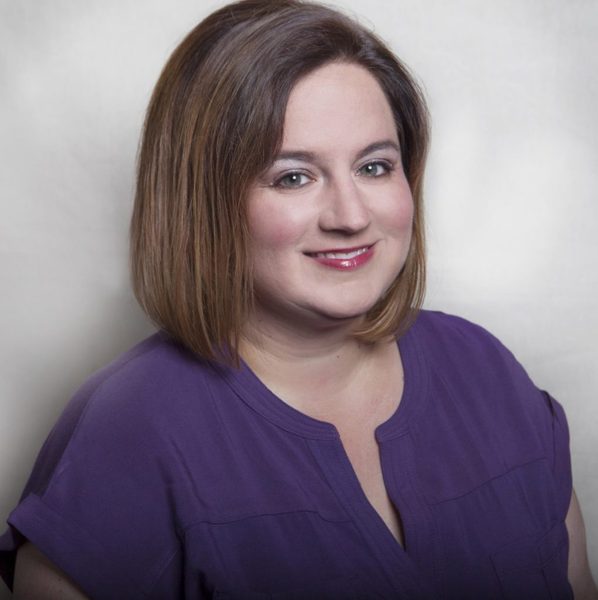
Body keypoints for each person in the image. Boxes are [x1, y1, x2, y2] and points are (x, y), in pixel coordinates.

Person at [1, 0, 596, 598]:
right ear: (203, 202)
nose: (351, 216)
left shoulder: (487, 372)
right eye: (293, 176)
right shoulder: (126, 432)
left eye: (374, 166)